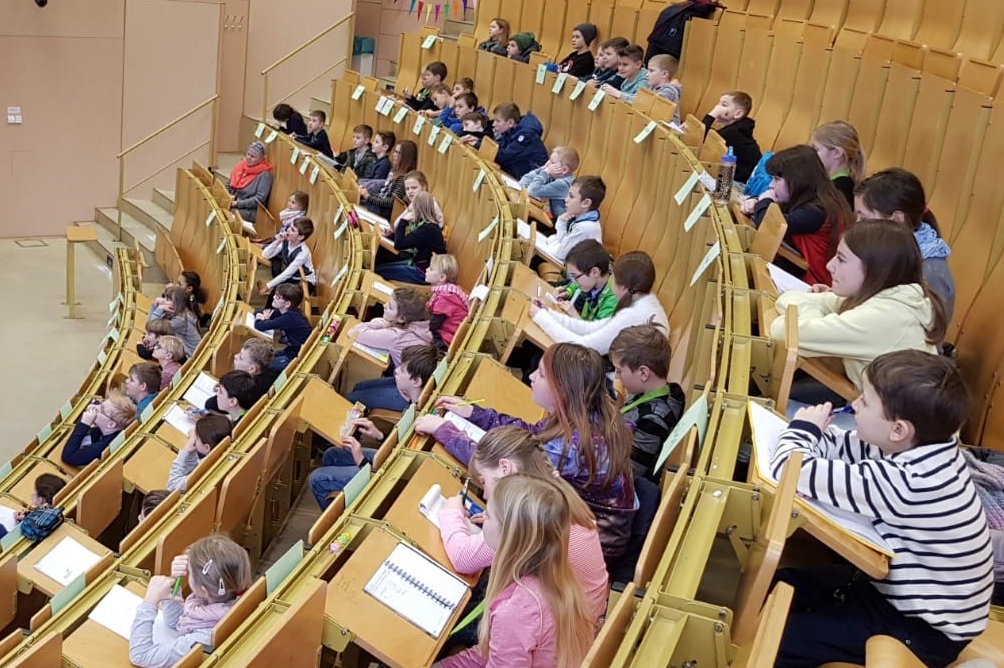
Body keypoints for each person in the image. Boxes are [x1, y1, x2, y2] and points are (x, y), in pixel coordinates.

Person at [770, 350, 993, 668]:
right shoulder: (919, 446)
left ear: (899, 430)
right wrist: (814, 436)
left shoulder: (910, 481)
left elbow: (790, 470)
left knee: (779, 639)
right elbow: (838, 444)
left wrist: (803, 431)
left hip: (920, 630)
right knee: (785, 584)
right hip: (893, 598)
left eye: (866, 401)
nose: (855, 404)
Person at [416, 342, 636, 562]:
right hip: (589, 528)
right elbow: (530, 436)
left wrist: (444, 431)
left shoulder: (567, 450)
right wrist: (474, 413)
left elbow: (503, 470)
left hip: (585, 548)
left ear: (561, 391)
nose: (531, 376)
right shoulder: (586, 413)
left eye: (540, 374)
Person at [438, 427, 609, 623]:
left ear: (504, 468)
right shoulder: (554, 490)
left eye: (484, 482)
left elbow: (463, 559)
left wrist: (450, 511)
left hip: (564, 630)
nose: (484, 494)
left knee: (453, 622)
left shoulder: (524, 518)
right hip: (588, 613)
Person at [769, 220, 946, 402]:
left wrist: (812, 319)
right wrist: (814, 319)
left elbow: (781, 331)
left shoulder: (883, 317)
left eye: (841, 259)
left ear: (875, 270)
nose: (830, 265)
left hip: (893, 427)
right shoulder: (884, 295)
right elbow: (790, 297)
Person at [433, 475, 597, 668]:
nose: (483, 517)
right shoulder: (557, 578)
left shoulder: (515, 611)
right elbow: (496, 651)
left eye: (490, 515)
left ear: (508, 536)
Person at [310, 345, 441, 506]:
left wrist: (361, 460)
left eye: (403, 370)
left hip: (388, 475)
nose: (396, 371)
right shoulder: (418, 405)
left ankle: (335, 521)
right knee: (332, 454)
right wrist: (379, 435)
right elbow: (399, 445)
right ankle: (345, 500)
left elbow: (393, 470)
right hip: (391, 459)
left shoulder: (421, 418)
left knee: (317, 479)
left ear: (416, 381)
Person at [129, 535, 252, 668]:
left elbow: (140, 656)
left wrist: (150, 601)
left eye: (190, 572)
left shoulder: (202, 638)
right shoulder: (218, 603)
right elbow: (177, 622)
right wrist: (175, 580)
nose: (187, 572)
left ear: (203, 591)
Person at [853, 167, 955, 324]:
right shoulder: (886, 250)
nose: (857, 224)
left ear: (896, 218)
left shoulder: (929, 273)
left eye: (864, 218)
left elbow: (927, 335)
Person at [741, 145, 851, 285]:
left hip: (811, 283)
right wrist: (756, 203)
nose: (771, 186)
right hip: (796, 267)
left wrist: (765, 201)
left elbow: (770, 226)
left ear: (797, 181)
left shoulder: (817, 210)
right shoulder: (811, 197)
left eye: (777, 179)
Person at [530, 251, 670, 356]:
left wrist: (542, 318)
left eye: (613, 280)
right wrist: (549, 313)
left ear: (623, 287)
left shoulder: (633, 315)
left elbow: (583, 345)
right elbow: (592, 329)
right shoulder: (642, 301)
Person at [609, 325, 685, 481]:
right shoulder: (665, 391)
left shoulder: (653, 420)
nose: (617, 377)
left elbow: (629, 474)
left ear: (643, 373)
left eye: (619, 370)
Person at [347, 287, 433, 369]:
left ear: (402, 319)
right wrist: (384, 323)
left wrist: (381, 324)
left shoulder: (396, 336)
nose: (384, 305)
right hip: (415, 373)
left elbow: (353, 332)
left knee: (361, 385)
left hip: (404, 379)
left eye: (390, 307)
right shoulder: (420, 324)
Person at [375, 192, 447, 284]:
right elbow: (409, 240)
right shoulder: (426, 225)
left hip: (424, 273)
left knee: (379, 271)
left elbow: (399, 245)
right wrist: (391, 236)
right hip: (417, 264)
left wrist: (403, 221)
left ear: (418, 209)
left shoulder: (428, 229)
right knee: (379, 266)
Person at [537, 175, 605, 264]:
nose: (566, 200)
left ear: (585, 203)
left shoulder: (584, 228)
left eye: (571, 196)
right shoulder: (580, 218)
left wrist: (546, 244)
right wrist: (561, 221)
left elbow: (561, 253)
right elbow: (562, 241)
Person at [701, 91, 762, 183]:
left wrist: (712, 115)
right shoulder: (735, 129)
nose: (717, 107)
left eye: (724, 105)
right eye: (718, 103)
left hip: (741, 183)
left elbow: (703, 139)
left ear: (738, 114)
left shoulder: (734, 132)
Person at [61, 391, 136, 466]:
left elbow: (68, 457)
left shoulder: (102, 448)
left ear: (111, 424)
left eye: (101, 409)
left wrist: (84, 424)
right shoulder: (108, 431)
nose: (95, 408)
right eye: (100, 404)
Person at [203, 339, 276, 414]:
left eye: (240, 357)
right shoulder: (269, 374)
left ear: (251, 369)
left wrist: (225, 388)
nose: (235, 356)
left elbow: (210, 404)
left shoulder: (248, 390)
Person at [166, 413, 233, 493]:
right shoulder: (221, 454)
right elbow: (192, 470)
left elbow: (171, 485)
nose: (193, 439)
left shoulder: (206, 468)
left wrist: (184, 452)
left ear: (207, 447)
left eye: (196, 437)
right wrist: (191, 453)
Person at [253, 283, 312, 371]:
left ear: (287, 304)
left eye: (278, 297)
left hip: (295, 356)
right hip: (290, 350)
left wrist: (262, 319)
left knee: (262, 367)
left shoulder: (290, 317)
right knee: (262, 358)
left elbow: (260, 325)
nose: (273, 297)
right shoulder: (283, 311)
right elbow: (258, 311)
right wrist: (261, 316)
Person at [557, 239, 617, 321]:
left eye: (576, 277)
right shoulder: (595, 282)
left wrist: (575, 316)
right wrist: (568, 292)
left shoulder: (614, 299)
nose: (574, 281)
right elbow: (576, 287)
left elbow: (597, 332)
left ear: (595, 272)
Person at [810, 120, 866, 207]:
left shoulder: (841, 187)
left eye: (816, 149)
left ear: (837, 153)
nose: (811, 154)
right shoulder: (830, 183)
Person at [360, 140, 418, 219]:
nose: (394, 155)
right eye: (394, 151)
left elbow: (392, 202)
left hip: (382, 212)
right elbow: (383, 194)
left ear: (406, 157)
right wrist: (368, 195)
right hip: (377, 206)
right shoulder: (394, 171)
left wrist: (369, 197)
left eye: (398, 153)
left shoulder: (404, 178)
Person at [492, 102, 549, 179]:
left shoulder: (526, 136)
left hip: (532, 180)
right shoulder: (510, 131)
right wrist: (479, 142)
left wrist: (479, 145)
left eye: (498, 121)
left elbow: (503, 157)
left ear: (510, 123)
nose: (493, 124)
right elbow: (498, 146)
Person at [259, 217, 316, 294]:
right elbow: (265, 255)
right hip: (293, 278)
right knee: (275, 291)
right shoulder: (286, 241)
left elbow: (287, 273)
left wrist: (267, 286)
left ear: (300, 237)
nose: (288, 230)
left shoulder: (303, 253)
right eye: (289, 226)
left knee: (278, 292)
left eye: (292, 230)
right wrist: (278, 241)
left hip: (304, 281)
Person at [425, 253, 470, 351]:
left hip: (443, 340)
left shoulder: (446, 298)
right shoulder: (448, 290)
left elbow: (433, 325)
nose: (426, 269)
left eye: (431, 269)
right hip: (445, 333)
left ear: (442, 277)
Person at [519, 147, 579, 217]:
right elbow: (523, 183)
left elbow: (531, 191)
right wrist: (542, 169)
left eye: (552, 162)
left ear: (564, 170)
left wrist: (545, 172)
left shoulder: (563, 184)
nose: (547, 164)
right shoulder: (554, 175)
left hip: (558, 225)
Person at [621, 54, 681, 123]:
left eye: (651, 71)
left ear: (664, 74)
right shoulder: (652, 87)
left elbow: (646, 104)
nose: (647, 74)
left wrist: (619, 95)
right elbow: (638, 97)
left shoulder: (669, 91)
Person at [227, 141, 272, 225]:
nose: (248, 158)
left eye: (253, 156)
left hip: (250, 210)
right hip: (234, 201)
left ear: (261, 159)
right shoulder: (241, 165)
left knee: (226, 213)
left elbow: (259, 199)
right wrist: (227, 195)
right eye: (248, 154)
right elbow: (229, 183)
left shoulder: (264, 175)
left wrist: (238, 203)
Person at [149, 286, 202, 357]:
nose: (163, 301)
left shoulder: (180, 320)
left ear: (177, 303)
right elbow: (150, 325)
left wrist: (159, 308)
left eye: (167, 299)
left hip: (188, 356)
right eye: (164, 298)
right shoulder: (180, 313)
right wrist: (154, 305)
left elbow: (152, 326)